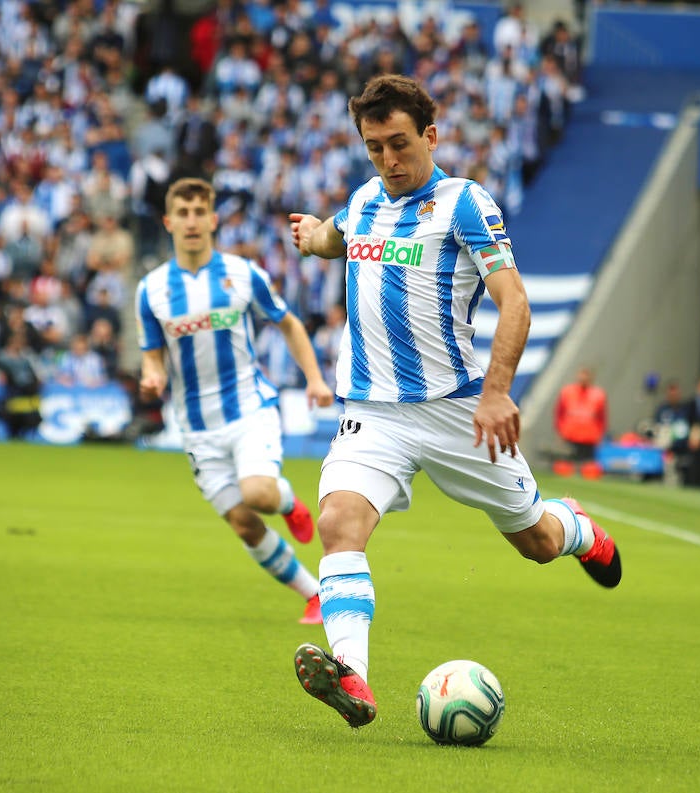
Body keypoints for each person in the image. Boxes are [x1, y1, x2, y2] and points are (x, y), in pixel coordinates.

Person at [285, 75, 621, 730]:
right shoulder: (363, 204)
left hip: (458, 411)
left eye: (400, 144)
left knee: (536, 541)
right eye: (375, 146)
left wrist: (497, 394)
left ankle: (576, 525)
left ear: (430, 137)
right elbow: (338, 237)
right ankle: (351, 672)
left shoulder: (464, 203)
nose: (389, 159)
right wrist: (311, 235)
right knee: (339, 524)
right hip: (373, 413)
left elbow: (514, 301)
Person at [136, 177, 333, 625]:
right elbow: (153, 359)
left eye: (198, 212)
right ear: (168, 222)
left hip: (249, 408)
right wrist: (151, 379)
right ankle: (314, 594)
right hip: (197, 427)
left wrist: (315, 379)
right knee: (244, 522)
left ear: (213, 219)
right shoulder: (150, 290)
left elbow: (288, 324)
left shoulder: (243, 274)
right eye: (182, 213)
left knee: (258, 493)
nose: (191, 221)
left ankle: (288, 503)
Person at [555, 365, 607, 462]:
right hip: (570, 435)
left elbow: (602, 418)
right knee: (568, 464)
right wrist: (560, 431)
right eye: (582, 375)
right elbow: (559, 414)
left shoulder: (599, 394)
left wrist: (600, 435)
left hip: (589, 437)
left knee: (586, 466)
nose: (584, 378)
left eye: (586, 375)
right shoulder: (567, 392)